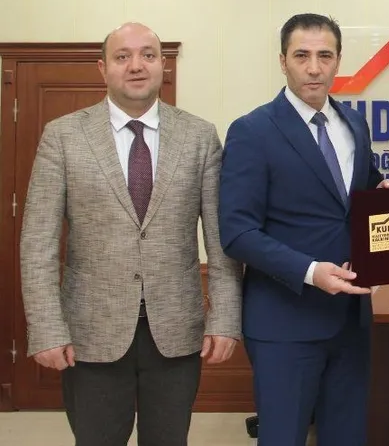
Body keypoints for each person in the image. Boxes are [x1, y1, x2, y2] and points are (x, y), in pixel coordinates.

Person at [20, 22, 242, 446]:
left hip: (176, 331)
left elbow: (220, 240)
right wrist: (47, 328)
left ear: (163, 66)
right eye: (123, 57)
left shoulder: (199, 136)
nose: (136, 65)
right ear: (102, 68)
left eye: (148, 55)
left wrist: (225, 320)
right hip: (91, 332)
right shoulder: (62, 137)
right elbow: (37, 245)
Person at [218, 13, 385, 446]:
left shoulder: (355, 125)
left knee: (347, 436)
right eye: (302, 56)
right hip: (284, 323)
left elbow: (358, 199)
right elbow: (236, 232)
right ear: (282, 61)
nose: (314, 68)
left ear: (338, 61)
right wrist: (311, 271)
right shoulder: (252, 131)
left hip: (351, 320)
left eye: (325, 56)